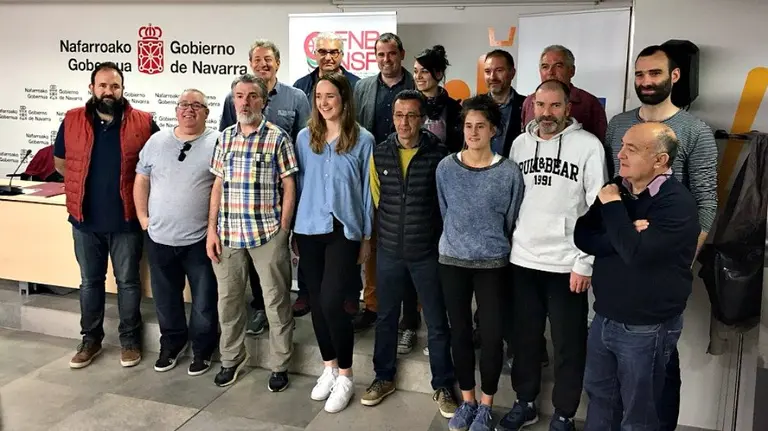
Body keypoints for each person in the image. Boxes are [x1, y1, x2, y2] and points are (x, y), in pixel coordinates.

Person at [605, 45, 718, 430]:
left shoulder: (695, 131)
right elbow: (613, 190)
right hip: (622, 259)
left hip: (664, 263)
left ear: (673, 77)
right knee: (619, 368)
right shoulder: (618, 124)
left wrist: (684, 259)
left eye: (654, 74)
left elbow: (706, 199)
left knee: (660, 365)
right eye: (640, 75)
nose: (646, 82)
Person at [497, 80, 607, 431]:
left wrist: (584, 262)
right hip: (523, 260)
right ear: (532, 107)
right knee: (526, 341)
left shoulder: (588, 147)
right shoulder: (519, 144)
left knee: (568, 345)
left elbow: (597, 208)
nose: (547, 113)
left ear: (568, 108)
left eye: (555, 106)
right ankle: (525, 402)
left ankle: (564, 414)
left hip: (567, 265)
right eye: (540, 106)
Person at [575, 123, 699, 430]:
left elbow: (636, 254)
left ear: (660, 160)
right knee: (601, 398)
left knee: (639, 414)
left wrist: (614, 210)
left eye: (632, 149)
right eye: (622, 146)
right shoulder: (617, 187)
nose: (620, 154)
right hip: (604, 317)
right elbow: (583, 235)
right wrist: (624, 234)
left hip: (646, 327)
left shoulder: (676, 203)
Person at [54, 61, 159, 370]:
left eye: (114, 86)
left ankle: (129, 340)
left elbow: (154, 167)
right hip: (85, 221)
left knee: (128, 283)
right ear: (92, 88)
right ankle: (90, 340)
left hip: (126, 220)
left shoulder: (143, 122)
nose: (108, 91)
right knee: (90, 282)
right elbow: (61, 163)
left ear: (123, 89)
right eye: (102, 86)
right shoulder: (72, 120)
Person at [361, 90, 458, 419]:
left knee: (436, 321)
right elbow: (377, 200)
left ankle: (443, 384)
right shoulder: (380, 153)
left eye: (411, 116)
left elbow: (446, 206)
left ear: (422, 119)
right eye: (399, 115)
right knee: (386, 318)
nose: (404, 122)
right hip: (389, 251)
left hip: (427, 253)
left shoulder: (439, 156)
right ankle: (382, 377)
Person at [436, 94, 525, 431]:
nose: (472, 132)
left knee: (490, 335)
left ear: (493, 130)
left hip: (493, 263)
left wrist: (489, 242)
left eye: (480, 126)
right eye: (468, 126)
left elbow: (510, 218)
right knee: (459, 333)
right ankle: (468, 401)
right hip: (452, 260)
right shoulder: (446, 167)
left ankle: (486, 405)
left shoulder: (509, 172)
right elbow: (446, 212)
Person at [206, 74, 297, 391]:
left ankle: (280, 364)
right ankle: (231, 360)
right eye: (240, 96)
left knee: (276, 301)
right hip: (228, 235)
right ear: (234, 101)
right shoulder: (225, 138)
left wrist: (284, 229)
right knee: (228, 303)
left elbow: (288, 184)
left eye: (252, 96)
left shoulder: (278, 138)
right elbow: (217, 185)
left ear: (264, 100)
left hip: (267, 233)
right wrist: (211, 230)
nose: (245, 102)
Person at [293, 72, 375, 413]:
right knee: (314, 301)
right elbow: (296, 185)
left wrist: (367, 237)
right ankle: (327, 368)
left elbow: (368, 193)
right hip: (308, 228)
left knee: (332, 302)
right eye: (319, 97)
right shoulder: (303, 138)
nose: (324, 103)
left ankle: (346, 375)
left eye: (331, 96)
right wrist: (293, 232)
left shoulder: (362, 139)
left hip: (344, 229)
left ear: (344, 99)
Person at [219, 39, 312, 331]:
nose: (263, 64)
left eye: (268, 59)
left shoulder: (296, 97)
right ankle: (260, 308)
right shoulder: (231, 98)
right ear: (250, 63)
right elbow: (226, 143)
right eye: (257, 60)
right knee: (253, 264)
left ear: (278, 63)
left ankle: (289, 307)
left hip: (285, 189)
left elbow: (306, 142)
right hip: (247, 197)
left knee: (280, 259)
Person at [134, 89, 220, 376]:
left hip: (200, 240)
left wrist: (213, 229)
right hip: (159, 237)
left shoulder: (217, 141)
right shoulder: (157, 141)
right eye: (184, 104)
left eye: (197, 105)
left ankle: (203, 349)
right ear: (175, 110)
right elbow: (142, 179)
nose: (189, 110)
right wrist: (143, 219)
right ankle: (171, 344)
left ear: (207, 113)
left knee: (205, 301)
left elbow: (221, 189)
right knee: (166, 298)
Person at [352, 32, 417, 334]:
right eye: (380, 54)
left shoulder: (415, 84)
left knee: (411, 246)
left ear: (401, 54)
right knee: (374, 243)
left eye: (391, 54)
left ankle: (410, 311)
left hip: (410, 173)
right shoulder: (363, 87)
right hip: (375, 173)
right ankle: (373, 305)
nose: (386, 60)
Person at [521, 45, 608, 162]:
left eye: (558, 66)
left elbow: (599, 149)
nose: (550, 72)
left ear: (572, 71)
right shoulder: (529, 102)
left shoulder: (589, 103)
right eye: (545, 67)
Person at [414, 45, 463, 153]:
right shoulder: (407, 104)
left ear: (439, 73)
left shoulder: (454, 109)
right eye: (415, 71)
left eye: (424, 71)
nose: (418, 76)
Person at [483, 49, 526, 156]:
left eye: (499, 70)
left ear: (512, 73)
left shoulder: (526, 105)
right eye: (487, 71)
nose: (492, 77)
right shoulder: (473, 106)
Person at [294, 32, 361, 100]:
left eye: (334, 52)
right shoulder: (301, 86)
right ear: (315, 54)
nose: (328, 58)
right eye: (322, 52)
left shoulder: (357, 86)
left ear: (342, 54)